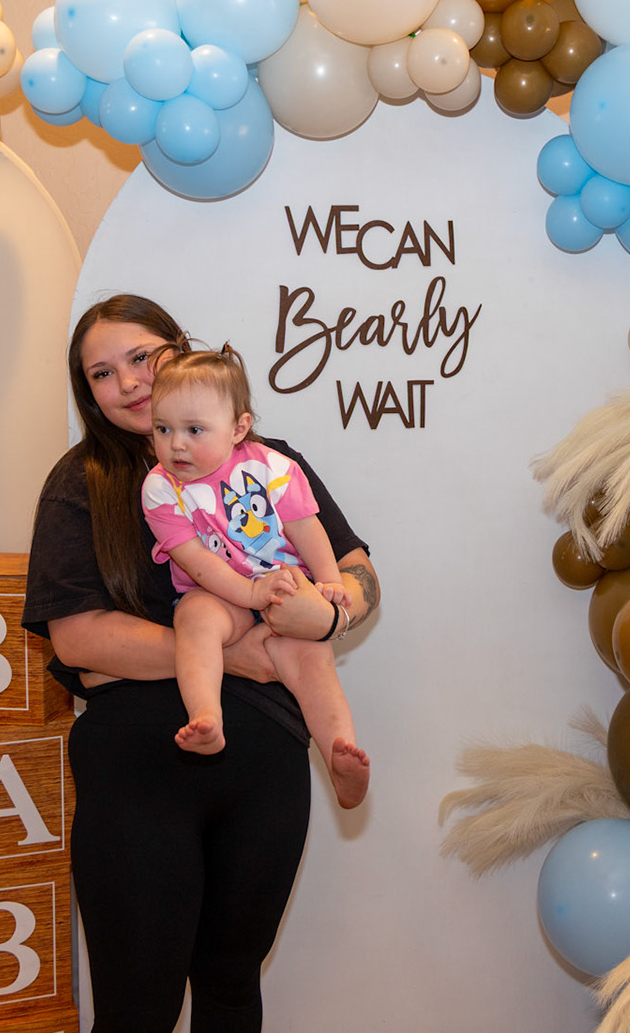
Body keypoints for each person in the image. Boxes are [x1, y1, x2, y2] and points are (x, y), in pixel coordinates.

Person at [22, 294, 379, 1033]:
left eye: (141, 357)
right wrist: (234, 655)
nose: (127, 381)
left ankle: (338, 748)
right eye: (101, 373)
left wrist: (333, 613)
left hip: (266, 769)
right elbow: (78, 640)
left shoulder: (267, 462)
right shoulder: (81, 482)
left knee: (231, 986)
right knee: (138, 1007)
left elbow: (353, 568)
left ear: (180, 350)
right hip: (139, 772)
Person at [142, 345, 370, 808]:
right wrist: (249, 592)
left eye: (194, 430)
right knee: (194, 620)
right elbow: (196, 562)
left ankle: (340, 754)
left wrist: (328, 582)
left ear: (238, 428)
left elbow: (307, 528)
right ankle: (207, 717)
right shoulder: (161, 488)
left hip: (286, 588)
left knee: (312, 662)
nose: (176, 444)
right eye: (163, 429)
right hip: (218, 592)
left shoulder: (272, 467)